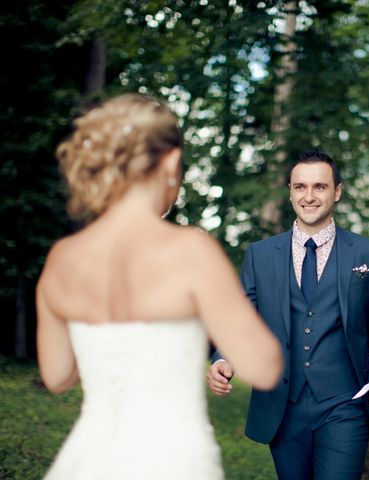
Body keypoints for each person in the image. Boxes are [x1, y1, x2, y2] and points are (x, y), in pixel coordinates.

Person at [36, 93, 282, 480]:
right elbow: (263, 367)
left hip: (90, 460)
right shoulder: (191, 250)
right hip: (173, 459)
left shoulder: (63, 258)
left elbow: (56, 375)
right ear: (169, 161)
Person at [207, 150, 369, 480]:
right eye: (300, 187)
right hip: (283, 406)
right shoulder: (261, 255)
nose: (309, 197)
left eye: (320, 187)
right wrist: (222, 358)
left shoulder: (367, 253)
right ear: (290, 191)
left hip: (345, 404)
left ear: (337, 191)